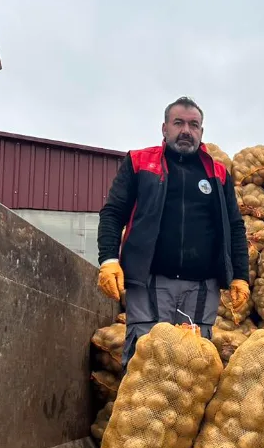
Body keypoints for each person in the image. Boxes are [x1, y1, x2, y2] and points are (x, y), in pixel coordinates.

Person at [96, 97, 251, 363]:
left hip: (201, 288)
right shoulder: (139, 162)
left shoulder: (218, 174)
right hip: (149, 282)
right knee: (144, 361)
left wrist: (240, 276)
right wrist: (108, 260)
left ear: (201, 132)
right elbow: (113, 213)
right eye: (178, 123)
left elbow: (235, 227)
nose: (186, 131)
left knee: (192, 367)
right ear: (164, 128)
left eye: (194, 125)